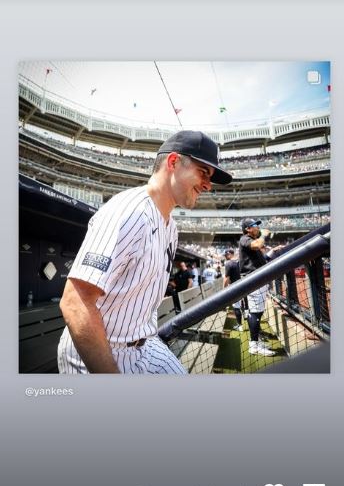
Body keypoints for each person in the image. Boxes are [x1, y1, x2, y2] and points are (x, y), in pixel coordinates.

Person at [58, 129, 232, 374]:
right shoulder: (129, 213)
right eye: (203, 172)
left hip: (145, 346)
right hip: (98, 352)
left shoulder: (171, 227)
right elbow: (75, 303)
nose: (208, 185)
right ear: (173, 162)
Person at [239, 218, 276, 356]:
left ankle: (255, 341)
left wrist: (272, 251)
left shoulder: (251, 240)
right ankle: (253, 345)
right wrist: (264, 235)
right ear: (248, 229)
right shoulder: (245, 238)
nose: (258, 227)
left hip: (257, 280)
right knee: (255, 312)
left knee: (257, 312)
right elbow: (256, 245)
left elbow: (260, 259)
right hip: (253, 280)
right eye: (255, 225)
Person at [223, 248, 243, 331]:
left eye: (227, 255)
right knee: (243, 307)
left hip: (234, 287)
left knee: (236, 307)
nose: (226, 257)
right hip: (242, 285)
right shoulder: (239, 262)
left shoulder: (229, 263)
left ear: (230, 254)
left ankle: (240, 325)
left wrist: (224, 288)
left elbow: (226, 278)